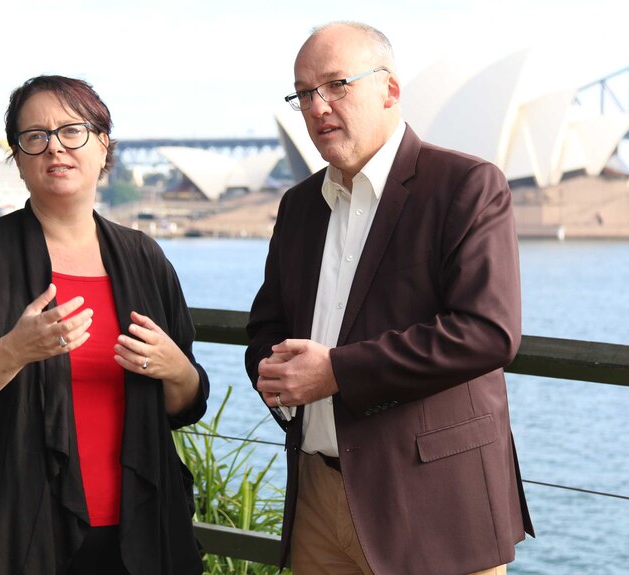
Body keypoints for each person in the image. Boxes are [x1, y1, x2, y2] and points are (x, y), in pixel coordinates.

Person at [245, 22, 534, 575]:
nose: (318, 106)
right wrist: (274, 373)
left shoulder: (466, 185)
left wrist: (335, 373)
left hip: (432, 502)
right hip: (318, 496)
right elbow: (267, 325)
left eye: (336, 85)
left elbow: (488, 332)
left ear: (390, 91)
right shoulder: (299, 205)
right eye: (304, 93)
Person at [0, 75, 208, 575]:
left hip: (139, 529)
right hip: (12, 530)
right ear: (19, 158)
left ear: (103, 145)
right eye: (35, 137)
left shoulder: (144, 257)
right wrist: (13, 351)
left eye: (73, 131)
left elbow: (185, 405)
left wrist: (178, 370)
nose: (55, 148)